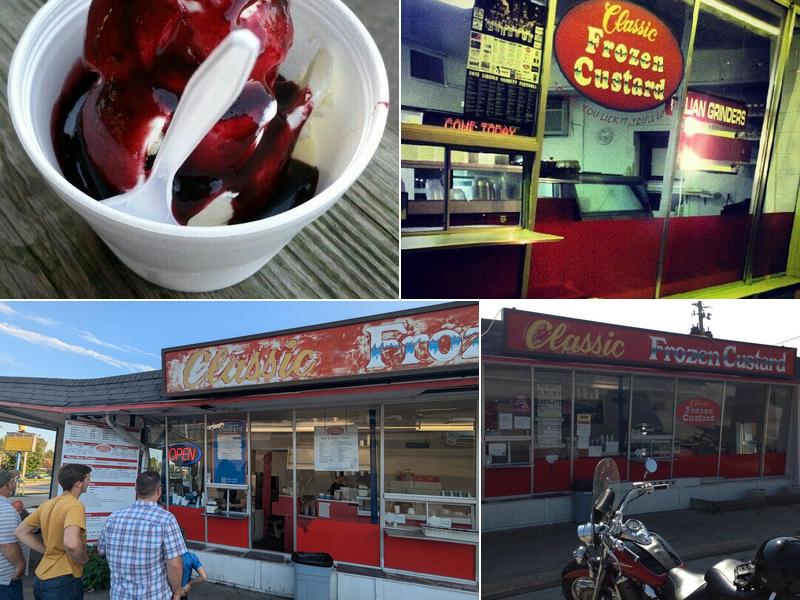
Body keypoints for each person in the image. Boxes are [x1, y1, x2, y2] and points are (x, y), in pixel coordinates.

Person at [98, 471, 186, 600]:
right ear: (159, 491)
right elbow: (174, 564)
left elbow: (101, 551)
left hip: (119, 595)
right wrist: (177, 592)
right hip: (154, 595)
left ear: (136, 489)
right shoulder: (166, 519)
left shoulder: (114, 517)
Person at [16, 464, 91, 600]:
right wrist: (83, 559)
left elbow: (21, 531)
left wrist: (47, 550)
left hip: (42, 578)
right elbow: (72, 544)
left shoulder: (48, 504)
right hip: (64, 580)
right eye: (87, 479)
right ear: (78, 484)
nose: (89, 482)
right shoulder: (75, 506)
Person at [0, 470, 27, 600]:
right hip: (5, 581)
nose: (15, 483)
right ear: (8, 485)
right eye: (14, 480)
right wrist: (20, 565)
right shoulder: (6, 510)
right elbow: (6, 544)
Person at [177, 531, 206, 600]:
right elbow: (203, 576)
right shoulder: (191, 557)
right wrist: (189, 583)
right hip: (183, 592)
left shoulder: (167, 557)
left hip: (168, 593)